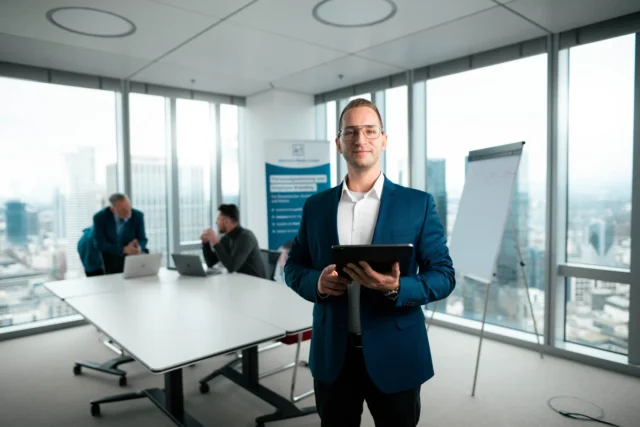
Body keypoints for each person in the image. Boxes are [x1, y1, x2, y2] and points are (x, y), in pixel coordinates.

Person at [284, 98, 456, 427]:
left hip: (397, 351)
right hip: (334, 354)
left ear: (384, 140)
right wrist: (317, 284)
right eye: (350, 132)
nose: (360, 139)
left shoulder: (417, 204)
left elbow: (444, 276)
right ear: (338, 144)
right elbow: (293, 267)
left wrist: (397, 286)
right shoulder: (315, 207)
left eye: (369, 130)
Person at [200, 204, 267, 279]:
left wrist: (216, 242)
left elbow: (232, 267)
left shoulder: (246, 237)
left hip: (255, 283)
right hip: (240, 281)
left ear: (227, 221)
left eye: (218, 219)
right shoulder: (226, 238)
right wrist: (205, 243)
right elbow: (211, 262)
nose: (216, 222)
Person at [92, 193, 148, 274]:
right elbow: (100, 244)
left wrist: (138, 247)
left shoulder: (138, 216)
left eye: (129, 208)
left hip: (130, 256)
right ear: (112, 209)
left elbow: (143, 239)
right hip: (109, 254)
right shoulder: (100, 217)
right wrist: (124, 249)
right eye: (123, 210)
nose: (128, 213)